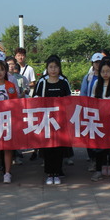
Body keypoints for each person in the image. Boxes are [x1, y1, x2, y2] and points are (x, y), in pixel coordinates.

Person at [33, 55, 71, 185]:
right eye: (51, 67)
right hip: (46, 120)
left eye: (55, 67)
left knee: (59, 147)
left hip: (60, 120)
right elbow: (36, 99)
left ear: (59, 68)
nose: (53, 70)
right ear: (47, 68)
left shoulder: (64, 81)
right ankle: (49, 173)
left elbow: (69, 99)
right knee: (48, 147)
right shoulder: (42, 82)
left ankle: (58, 172)